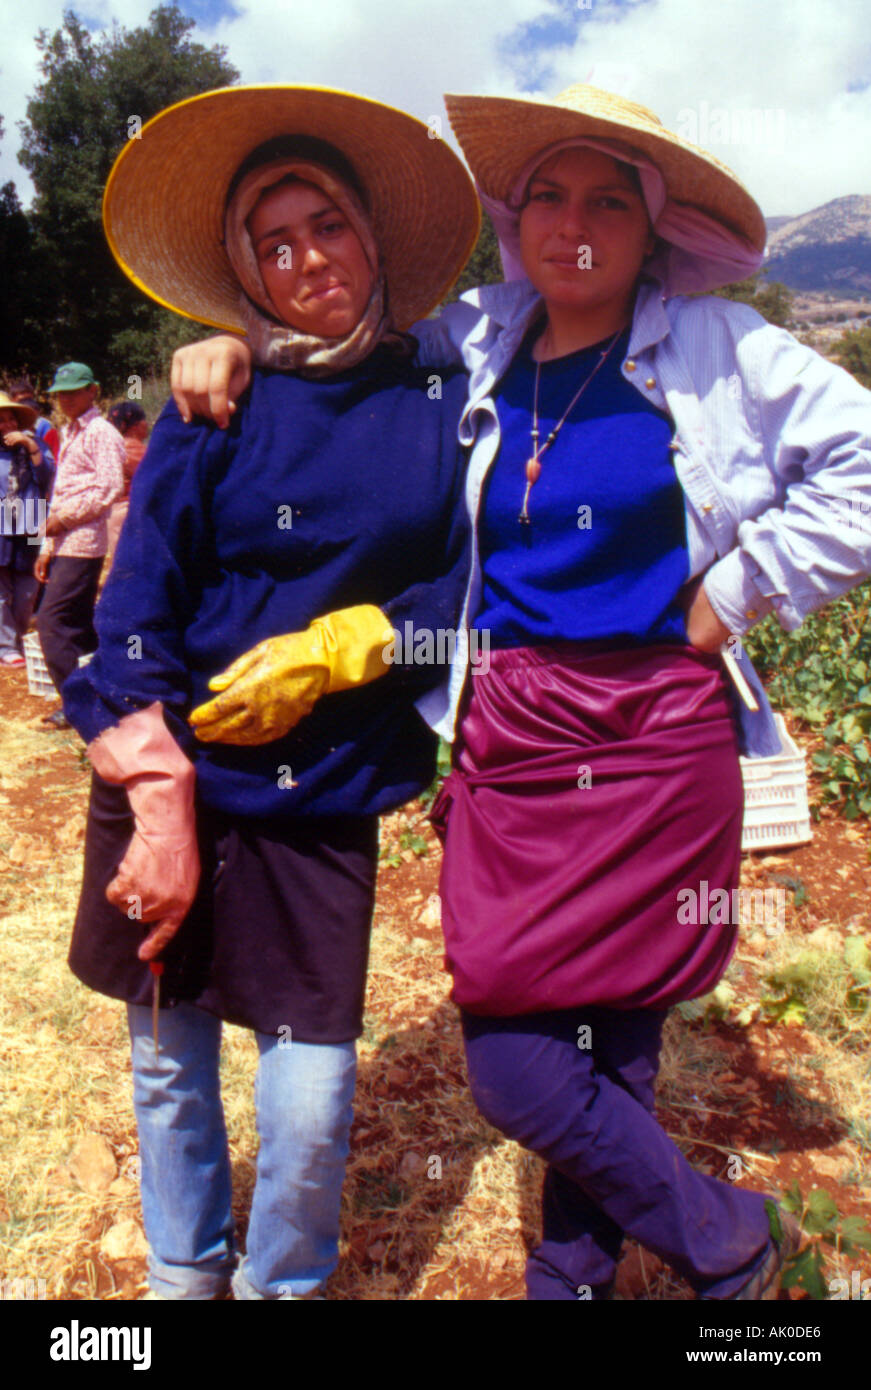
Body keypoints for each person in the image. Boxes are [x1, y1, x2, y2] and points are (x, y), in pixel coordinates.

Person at [172, 84, 871, 1301]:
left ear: (651, 234)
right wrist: (231, 339)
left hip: (657, 739)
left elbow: (861, 460)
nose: (572, 223)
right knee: (512, 1063)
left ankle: (568, 1279)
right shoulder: (479, 338)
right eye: (547, 194)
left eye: (608, 200)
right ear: (517, 220)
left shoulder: (709, 346)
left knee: (616, 1047)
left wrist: (739, 592)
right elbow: (335, 355)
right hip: (515, 734)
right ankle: (729, 1237)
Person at [60, 83, 479, 1300]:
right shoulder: (212, 402)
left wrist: (358, 646)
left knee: (310, 1093)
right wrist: (153, 788)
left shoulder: (442, 403)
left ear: (372, 232)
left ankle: (282, 1283)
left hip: (326, 788)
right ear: (245, 269)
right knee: (166, 1062)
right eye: (273, 243)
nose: (308, 261)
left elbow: (465, 604)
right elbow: (135, 608)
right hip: (174, 768)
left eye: (327, 225)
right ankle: (183, 1279)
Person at [35, 362, 125, 726]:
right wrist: (46, 545)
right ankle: (99, 693)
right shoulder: (68, 432)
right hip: (63, 540)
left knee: (51, 622)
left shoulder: (101, 432)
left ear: (93, 391)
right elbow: (60, 492)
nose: (66, 399)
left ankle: (76, 703)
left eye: (74, 391)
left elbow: (108, 488)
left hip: (83, 542)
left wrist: (63, 520)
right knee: (77, 623)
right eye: (61, 393)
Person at [0, 391, 53, 666]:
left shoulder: (37, 446)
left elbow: (47, 478)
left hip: (32, 523)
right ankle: (6, 646)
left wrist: (30, 446)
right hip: (1, 526)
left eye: (10, 419)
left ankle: (17, 637)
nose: (6, 425)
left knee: (28, 587)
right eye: (0, 420)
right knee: (1, 588)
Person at [103, 401, 150, 575]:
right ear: (135, 425)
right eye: (144, 421)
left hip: (112, 513)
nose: (147, 425)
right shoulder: (136, 450)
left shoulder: (110, 448)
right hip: (131, 510)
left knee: (120, 565)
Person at [6, 376, 60, 477]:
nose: (26, 405)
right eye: (21, 402)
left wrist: (31, 444)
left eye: (30, 400)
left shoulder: (43, 426)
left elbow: (48, 473)